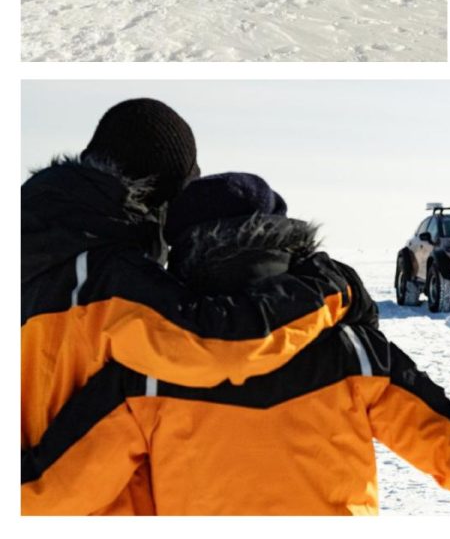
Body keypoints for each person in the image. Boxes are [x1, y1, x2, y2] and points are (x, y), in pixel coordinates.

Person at [22, 174, 450, 516]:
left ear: (184, 253)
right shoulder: (352, 353)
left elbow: (45, 497)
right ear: (284, 239)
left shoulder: (144, 370)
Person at [21, 100, 360, 514]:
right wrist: (324, 287)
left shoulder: (36, 242)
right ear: (156, 196)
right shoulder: (108, 275)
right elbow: (217, 345)